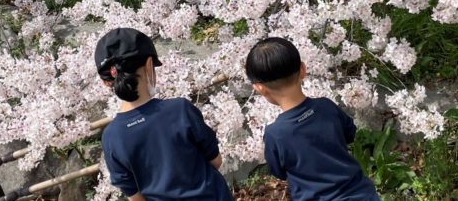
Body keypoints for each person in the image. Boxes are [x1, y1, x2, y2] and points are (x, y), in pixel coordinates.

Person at [96, 27, 234, 201]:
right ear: (149, 65)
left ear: (106, 82)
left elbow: (135, 197)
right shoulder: (180, 110)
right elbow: (216, 161)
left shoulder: (111, 137)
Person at [245, 37, 380, 201]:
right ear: (303, 69)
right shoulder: (326, 106)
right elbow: (350, 133)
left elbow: (278, 171)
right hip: (360, 193)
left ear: (260, 88)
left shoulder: (275, 134)